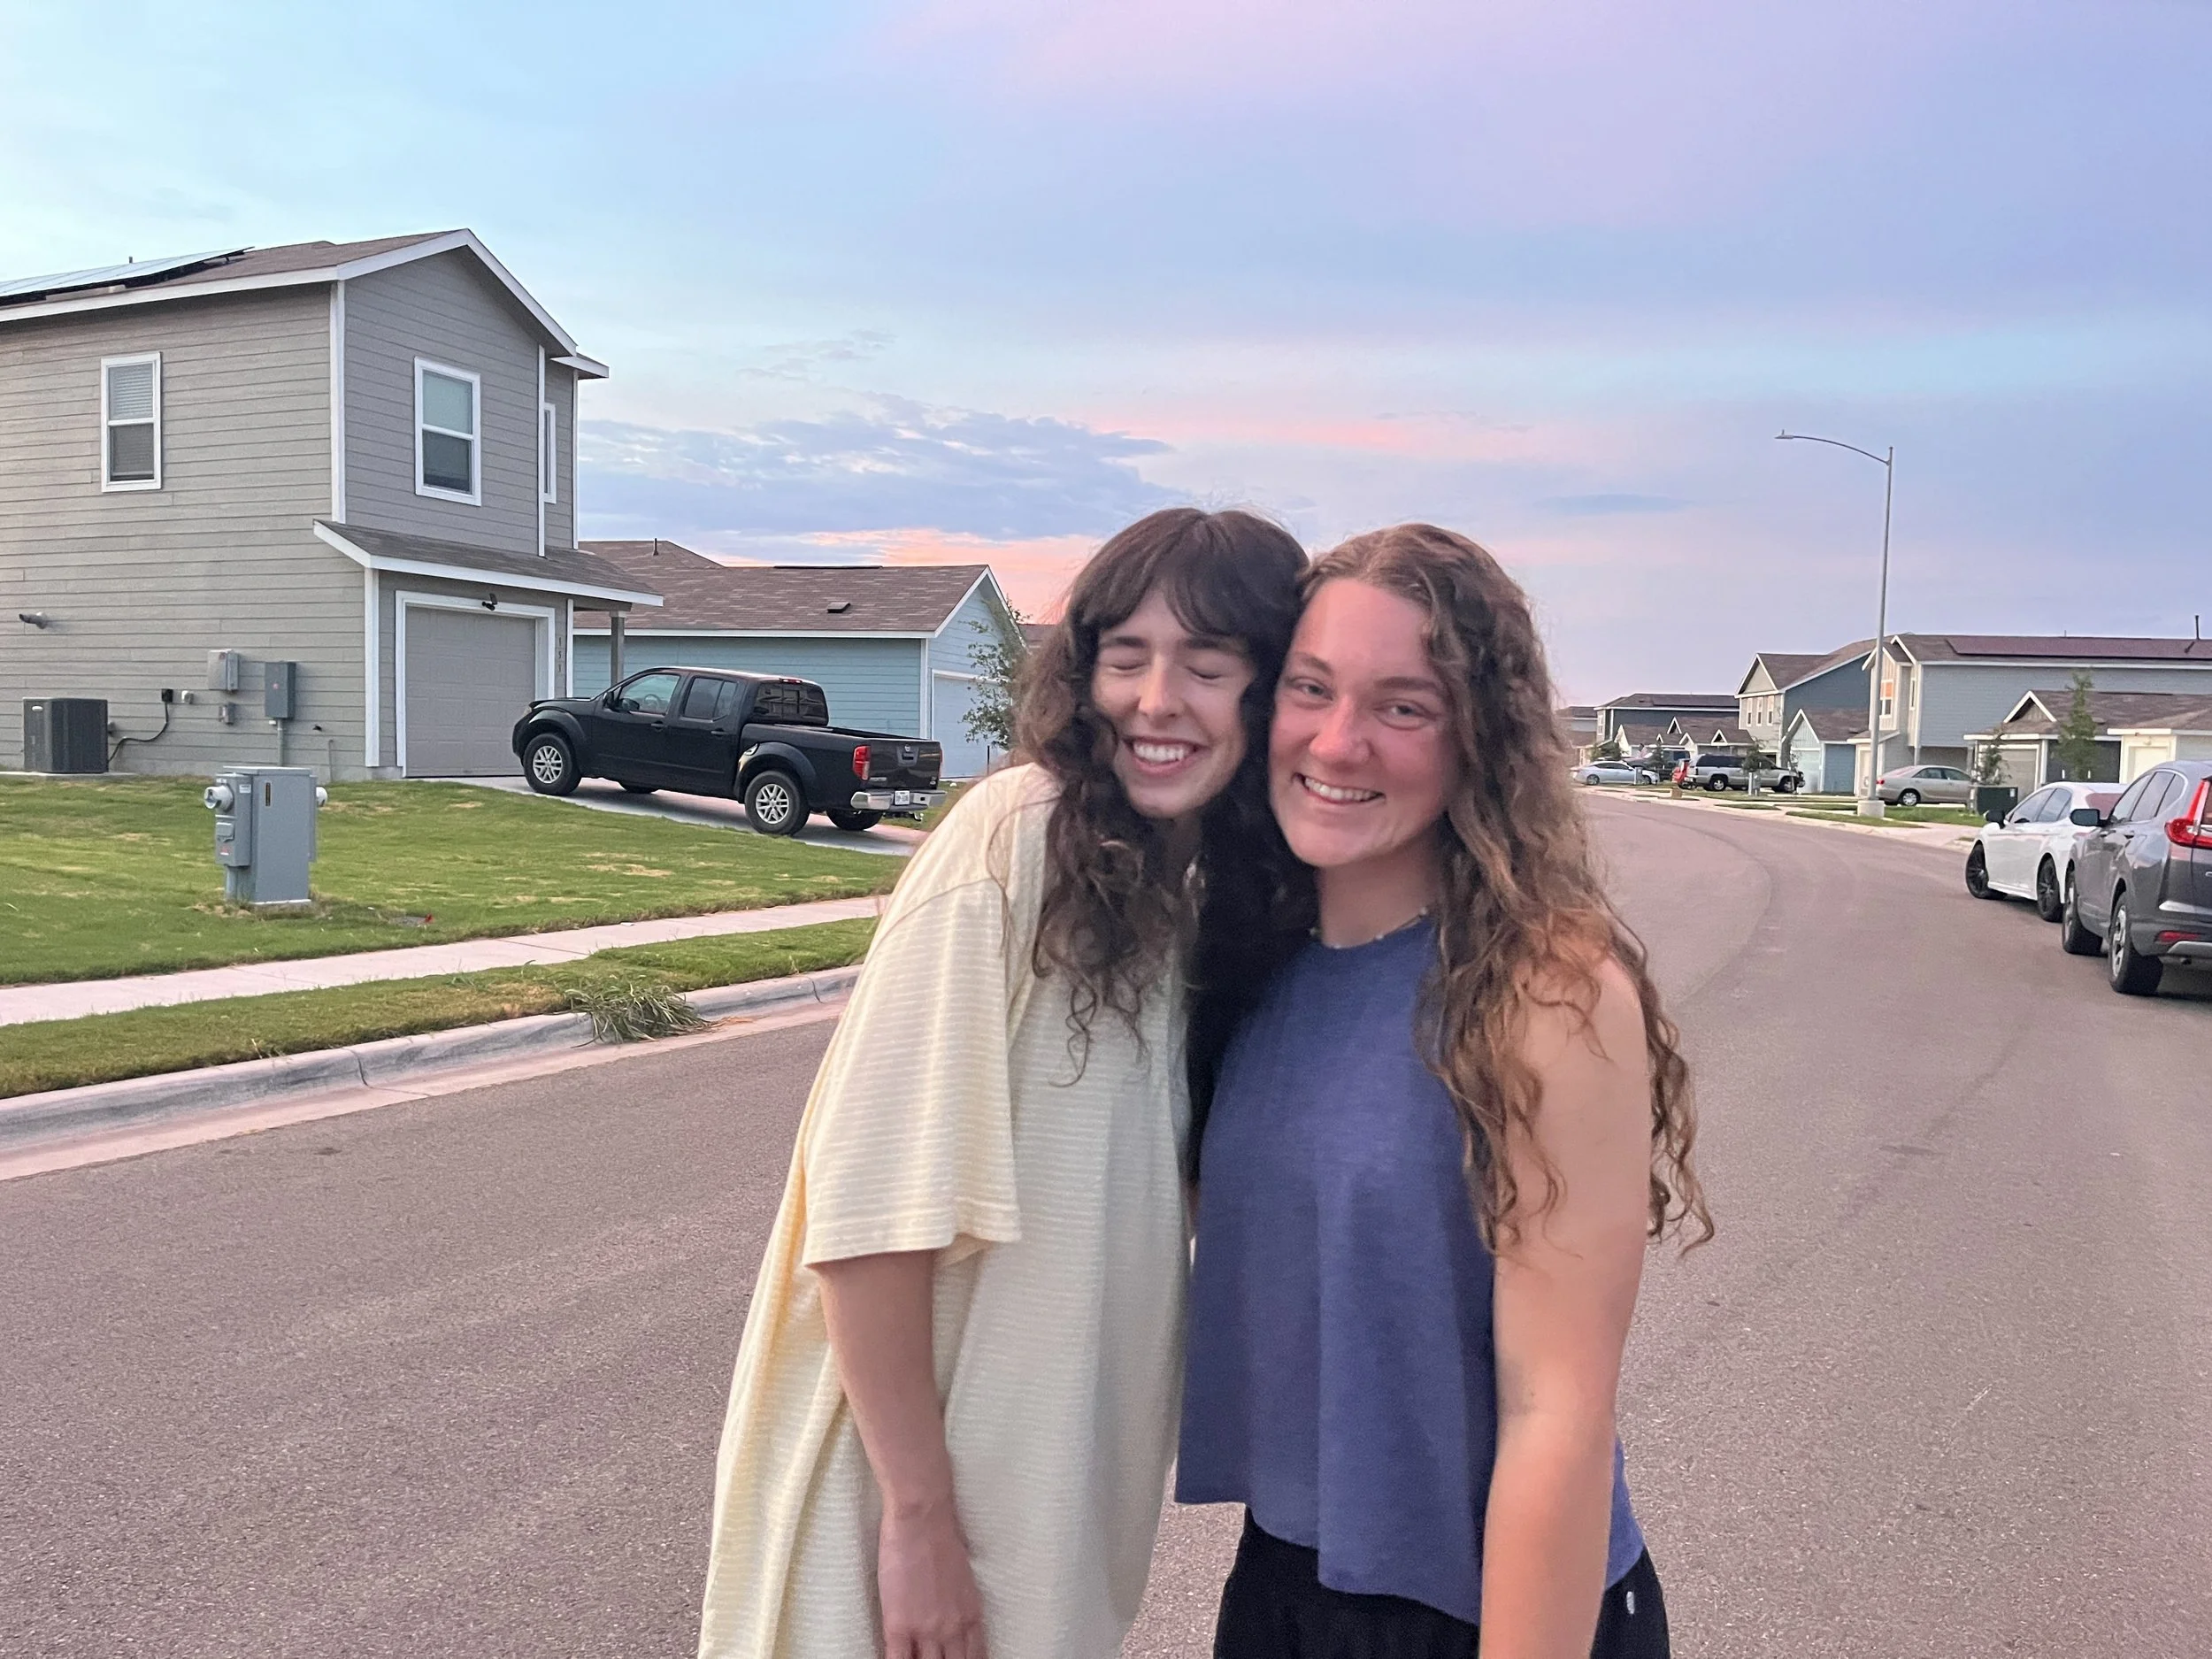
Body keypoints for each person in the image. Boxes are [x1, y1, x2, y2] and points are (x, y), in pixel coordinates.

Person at [696, 507, 1308, 1659]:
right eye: (1124, 657)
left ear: (1274, 693)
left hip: (1052, 1513)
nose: (1156, 697)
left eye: (1210, 666)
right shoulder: (1013, 839)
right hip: (905, 1509)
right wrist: (918, 1523)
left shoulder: (1197, 896)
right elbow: (871, 1214)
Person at [1177, 523, 1712, 1659]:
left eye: (1403, 706)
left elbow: (1558, 1414)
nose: (1339, 740)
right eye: (1310, 689)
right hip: (1283, 1582)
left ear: (1479, 740)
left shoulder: (1547, 994)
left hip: (1492, 1610)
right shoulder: (1244, 971)